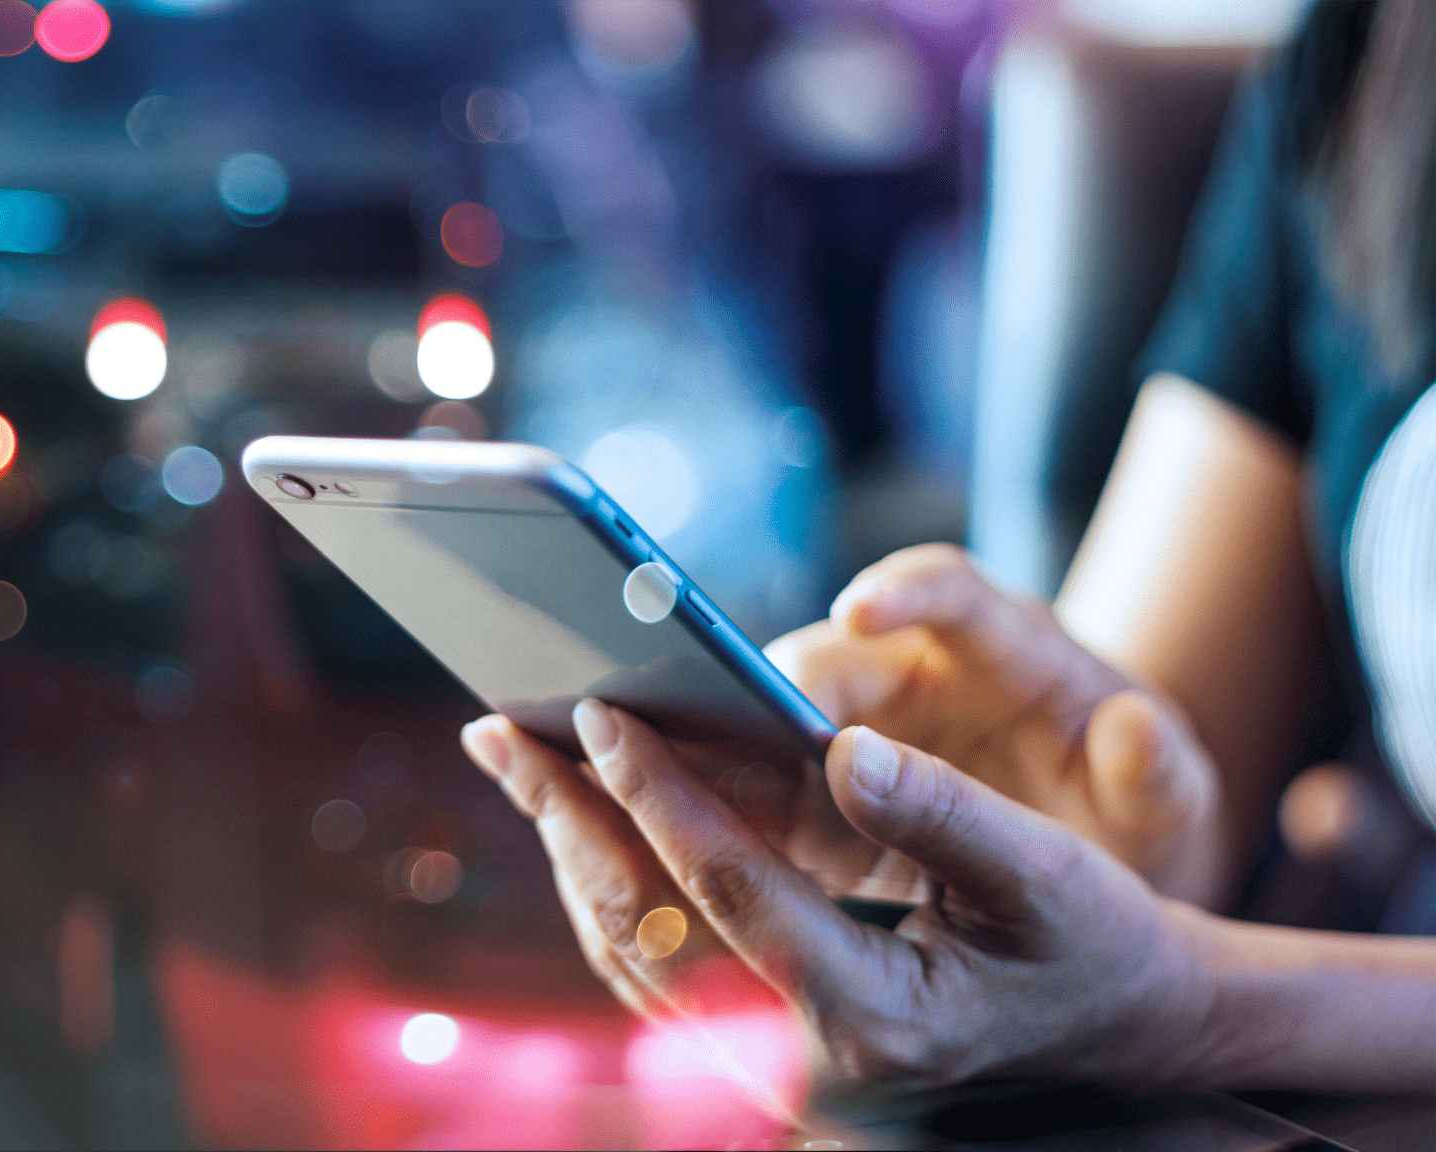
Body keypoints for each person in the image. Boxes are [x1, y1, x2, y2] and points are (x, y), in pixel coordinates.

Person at [460, 0, 1436, 1093]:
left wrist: (1211, 1005)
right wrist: (1031, 854)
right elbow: (1151, 780)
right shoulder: (1362, 61)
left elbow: (1173, 977)